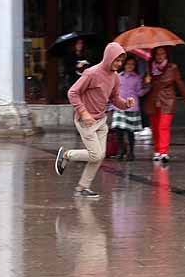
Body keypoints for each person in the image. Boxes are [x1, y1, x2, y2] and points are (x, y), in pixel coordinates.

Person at [54, 42, 134, 199]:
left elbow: (114, 98)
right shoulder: (91, 73)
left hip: (101, 120)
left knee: (99, 156)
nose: (118, 64)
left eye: (120, 61)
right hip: (86, 121)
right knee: (95, 155)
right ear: (108, 57)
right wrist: (83, 113)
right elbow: (73, 92)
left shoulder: (115, 77)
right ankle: (66, 155)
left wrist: (125, 104)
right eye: (116, 60)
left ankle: (82, 188)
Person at [142, 46, 185, 162]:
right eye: (158, 54)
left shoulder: (172, 67)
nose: (160, 56)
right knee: (155, 127)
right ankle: (157, 151)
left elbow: (180, 83)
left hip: (167, 100)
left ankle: (164, 152)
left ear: (166, 55)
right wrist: (146, 80)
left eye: (162, 54)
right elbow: (143, 86)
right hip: (153, 100)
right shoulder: (149, 67)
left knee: (163, 126)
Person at [110, 55, 148, 161]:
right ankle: (121, 150)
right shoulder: (117, 76)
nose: (130, 66)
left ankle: (131, 152)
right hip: (119, 106)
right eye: (128, 64)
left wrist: (147, 86)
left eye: (132, 64)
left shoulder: (137, 78)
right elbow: (113, 91)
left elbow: (139, 93)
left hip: (132, 107)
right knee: (118, 129)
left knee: (130, 131)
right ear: (124, 65)